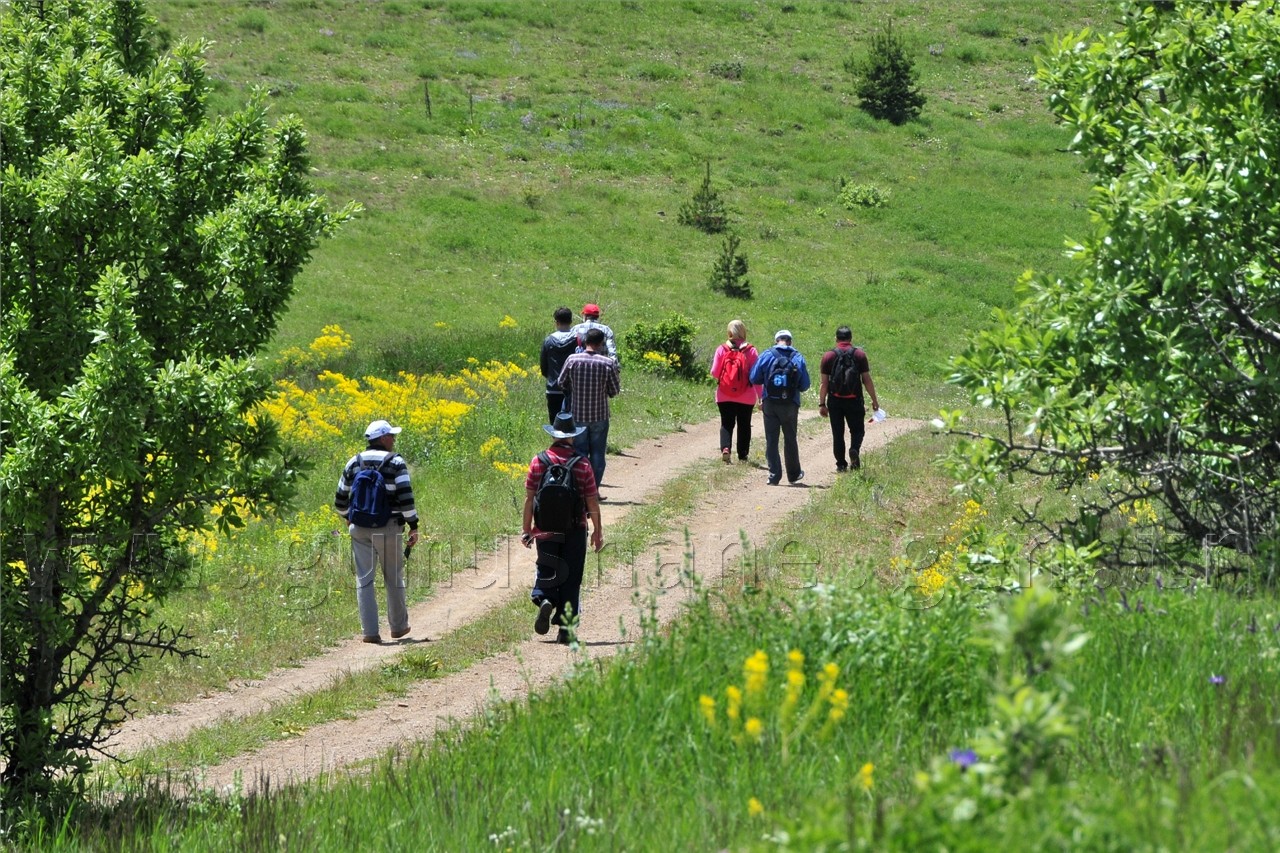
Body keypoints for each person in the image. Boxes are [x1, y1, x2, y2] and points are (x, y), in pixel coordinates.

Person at [334, 419, 421, 643]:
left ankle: (370, 632)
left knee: (364, 580)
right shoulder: (396, 462)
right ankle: (398, 628)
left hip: (359, 528)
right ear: (382, 438)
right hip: (389, 528)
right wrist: (413, 525)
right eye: (391, 436)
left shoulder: (354, 462)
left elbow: (340, 499)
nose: (394, 439)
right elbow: (406, 498)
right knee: (393, 576)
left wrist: (348, 519)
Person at [521, 412, 604, 645]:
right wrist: (597, 531)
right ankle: (566, 629)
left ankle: (546, 599)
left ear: (553, 434)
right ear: (572, 437)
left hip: (545, 529)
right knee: (572, 577)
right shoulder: (583, 464)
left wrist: (526, 530)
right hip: (575, 529)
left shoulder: (538, 461)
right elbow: (592, 501)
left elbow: (529, 499)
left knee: (548, 568)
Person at [557, 327, 621, 489]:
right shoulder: (608, 363)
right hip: (599, 415)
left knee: (579, 453)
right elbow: (614, 391)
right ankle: (593, 490)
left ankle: (579, 489)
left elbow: (561, 383)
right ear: (601, 344)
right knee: (598, 454)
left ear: (585, 341)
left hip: (578, 415)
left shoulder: (572, 360)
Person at [748, 329, 811, 485]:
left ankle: (774, 475)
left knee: (771, 439)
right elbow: (805, 385)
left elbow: (754, 377)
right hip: (790, 404)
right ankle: (794, 474)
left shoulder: (767, 355)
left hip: (770, 402)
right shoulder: (798, 357)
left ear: (777, 341)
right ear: (790, 341)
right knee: (790, 438)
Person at [818, 326, 880, 471]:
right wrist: (874, 400)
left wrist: (822, 404)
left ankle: (841, 464)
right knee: (858, 431)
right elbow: (866, 380)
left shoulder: (828, 356)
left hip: (835, 400)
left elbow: (824, 383)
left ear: (836, 339)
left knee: (837, 433)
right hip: (854, 399)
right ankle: (854, 450)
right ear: (851, 339)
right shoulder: (859, 355)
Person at [709, 319, 761, 463]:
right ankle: (742, 455)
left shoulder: (722, 349)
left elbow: (714, 372)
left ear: (729, 332)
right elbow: (756, 375)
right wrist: (761, 396)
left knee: (726, 423)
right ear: (744, 332)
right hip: (746, 395)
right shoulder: (751, 350)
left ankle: (726, 448)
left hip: (724, 394)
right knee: (744, 424)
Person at [540, 306, 578, 424]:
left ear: (556, 322)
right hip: (573, 388)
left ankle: (557, 442)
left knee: (555, 423)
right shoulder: (577, 340)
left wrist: (551, 377)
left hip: (553, 388)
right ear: (571, 321)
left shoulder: (548, 341)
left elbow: (543, 366)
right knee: (572, 424)